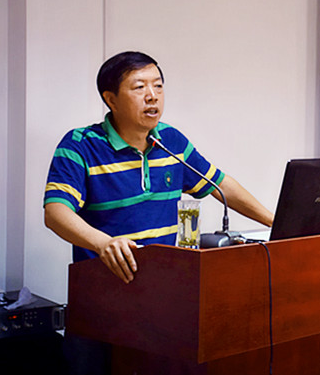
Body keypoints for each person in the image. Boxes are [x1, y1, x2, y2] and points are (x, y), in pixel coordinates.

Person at [44, 51, 274, 284]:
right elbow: (55, 213)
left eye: (158, 86)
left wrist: (275, 223)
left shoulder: (170, 141)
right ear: (111, 100)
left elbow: (220, 184)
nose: (152, 96)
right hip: (105, 284)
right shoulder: (80, 145)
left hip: (162, 282)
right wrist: (103, 243)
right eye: (139, 87)